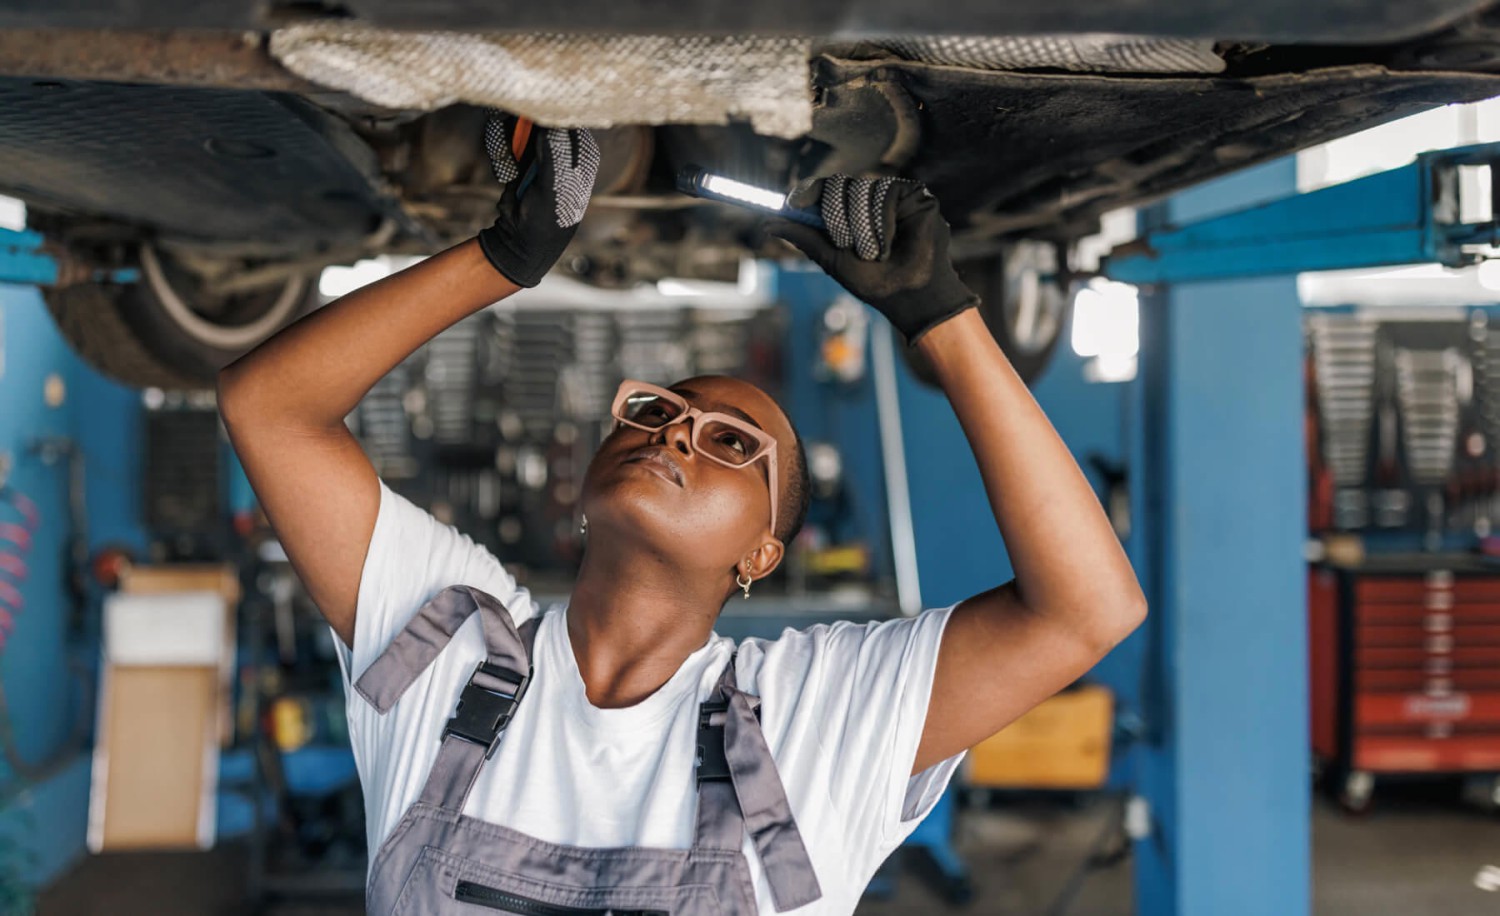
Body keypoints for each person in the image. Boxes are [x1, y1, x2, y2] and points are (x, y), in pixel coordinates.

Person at [217, 117, 1145, 915]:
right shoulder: (452, 650)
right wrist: (497, 260)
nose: (678, 434)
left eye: (732, 443)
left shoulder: (809, 719)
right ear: (587, 481)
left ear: (762, 552)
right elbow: (271, 411)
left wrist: (945, 319)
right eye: (657, 412)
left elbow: (1087, 608)